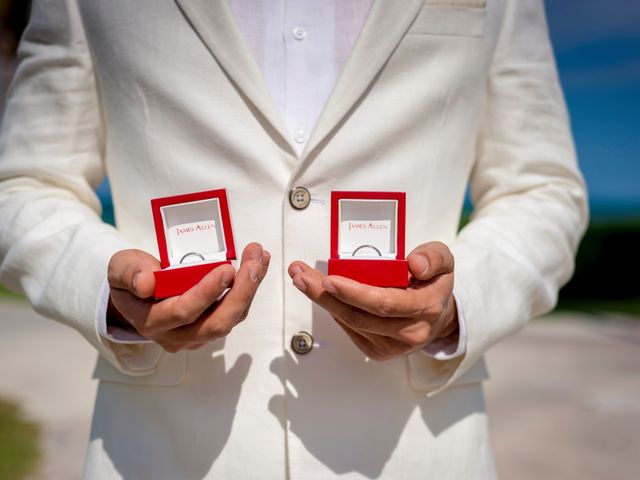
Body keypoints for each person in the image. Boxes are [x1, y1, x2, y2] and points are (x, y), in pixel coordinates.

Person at [0, 0, 587, 478]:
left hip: (420, 452)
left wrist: (461, 301)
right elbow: (23, 185)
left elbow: (542, 187)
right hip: (162, 454)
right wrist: (110, 291)